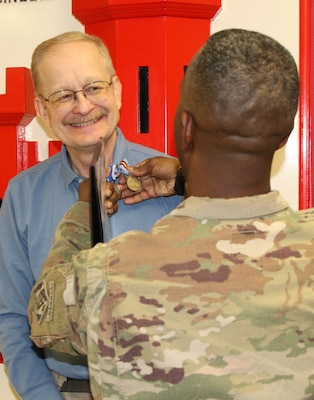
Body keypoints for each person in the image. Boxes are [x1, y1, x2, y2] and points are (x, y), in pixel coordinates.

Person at [28, 28, 314, 399]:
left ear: (186, 128)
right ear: (286, 135)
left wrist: (84, 210)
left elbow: (43, 312)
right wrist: (185, 179)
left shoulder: (109, 275)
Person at [0, 31, 181, 400]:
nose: (83, 106)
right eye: (63, 95)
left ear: (117, 90)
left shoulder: (177, 183)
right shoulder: (22, 194)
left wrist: (193, 181)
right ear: (42, 109)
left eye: (94, 87)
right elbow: (13, 318)